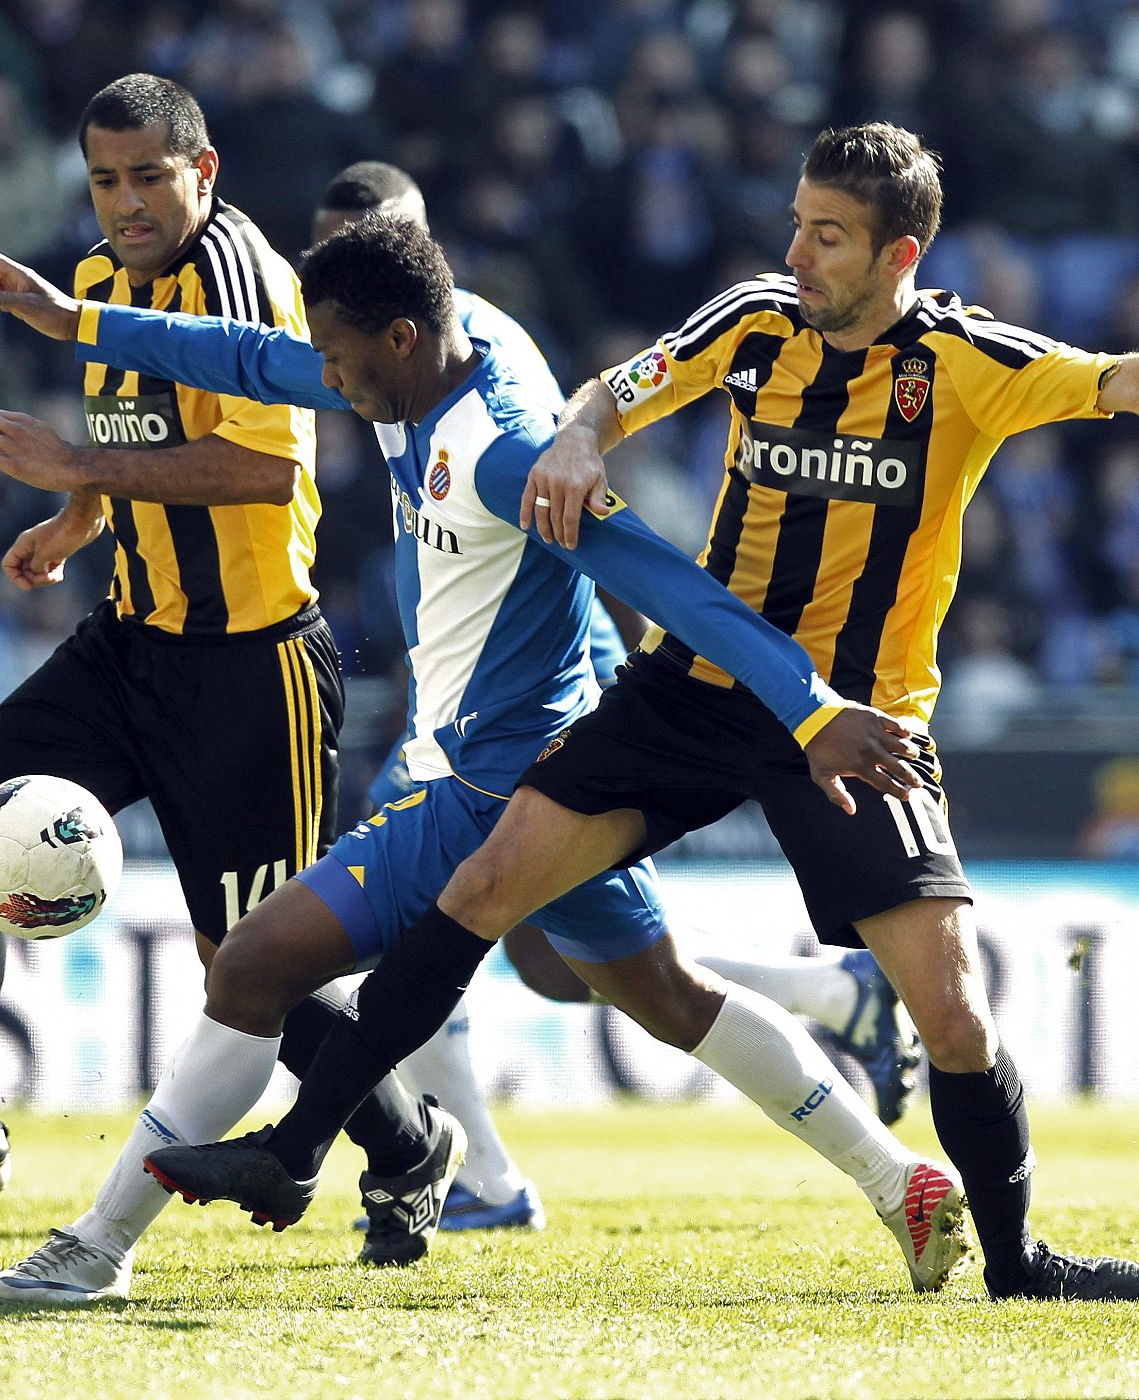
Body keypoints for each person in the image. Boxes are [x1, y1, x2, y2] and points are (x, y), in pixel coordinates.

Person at [181, 123, 1139, 1302]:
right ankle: (295, 1149)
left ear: (900, 255)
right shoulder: (749, 320)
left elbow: (1112, 381)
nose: (796, 252)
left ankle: (1017, 1261)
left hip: (851, 716)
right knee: (481, 889)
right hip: (688, 686)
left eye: (826, 236)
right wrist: (580, 437)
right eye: (793, 222)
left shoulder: (962, 358)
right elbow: (615, 389)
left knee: (948, 1017)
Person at [0, 213, 971, 1300]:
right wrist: (78, 323)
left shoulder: (503, 452)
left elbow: (672, 585)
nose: (326, 383)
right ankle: (897, 1175)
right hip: (544, 781)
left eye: (339, 360)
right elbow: (250, 356)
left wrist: (811, 708)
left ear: (396, 336)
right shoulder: (416, 363)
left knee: (250, 962)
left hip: (487, 788)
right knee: (668, 997)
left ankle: (98, 1243)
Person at [0, 74, 446, 1301]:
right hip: (130, 636)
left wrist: (67, 460)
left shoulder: (237, 276)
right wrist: (77, 510)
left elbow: (266, 470)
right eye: (105, 179)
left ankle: (409, 1143)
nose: (124, 202)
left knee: (250, 966)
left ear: (203, 171)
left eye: (148, 177)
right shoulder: (103, 286)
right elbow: (130, 437)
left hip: (250, 666)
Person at [318, 161, 920, 1241]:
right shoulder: (362, 369)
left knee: (438, 924)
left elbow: (591, 542)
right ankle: (835, 1004)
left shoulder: (484, 375)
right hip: (459, 713)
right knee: (564, 966)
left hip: (526, 719)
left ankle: (477, 1174)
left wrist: (679, 679)